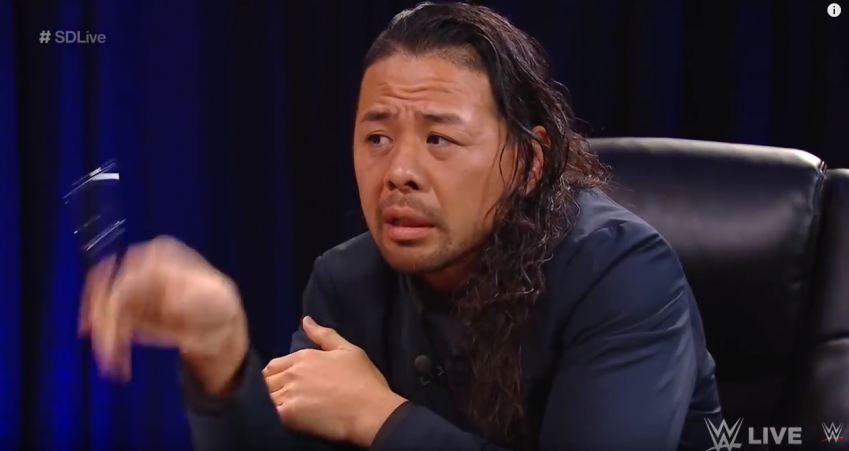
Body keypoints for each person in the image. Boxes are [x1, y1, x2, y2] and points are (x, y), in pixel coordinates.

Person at [78, 3, 722, 450]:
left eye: (439, 139)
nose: (399, 172)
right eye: (377, 138)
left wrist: (380, 417)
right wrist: (220, 355)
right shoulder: (346, 282)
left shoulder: (621, 272)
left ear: (528, 162)